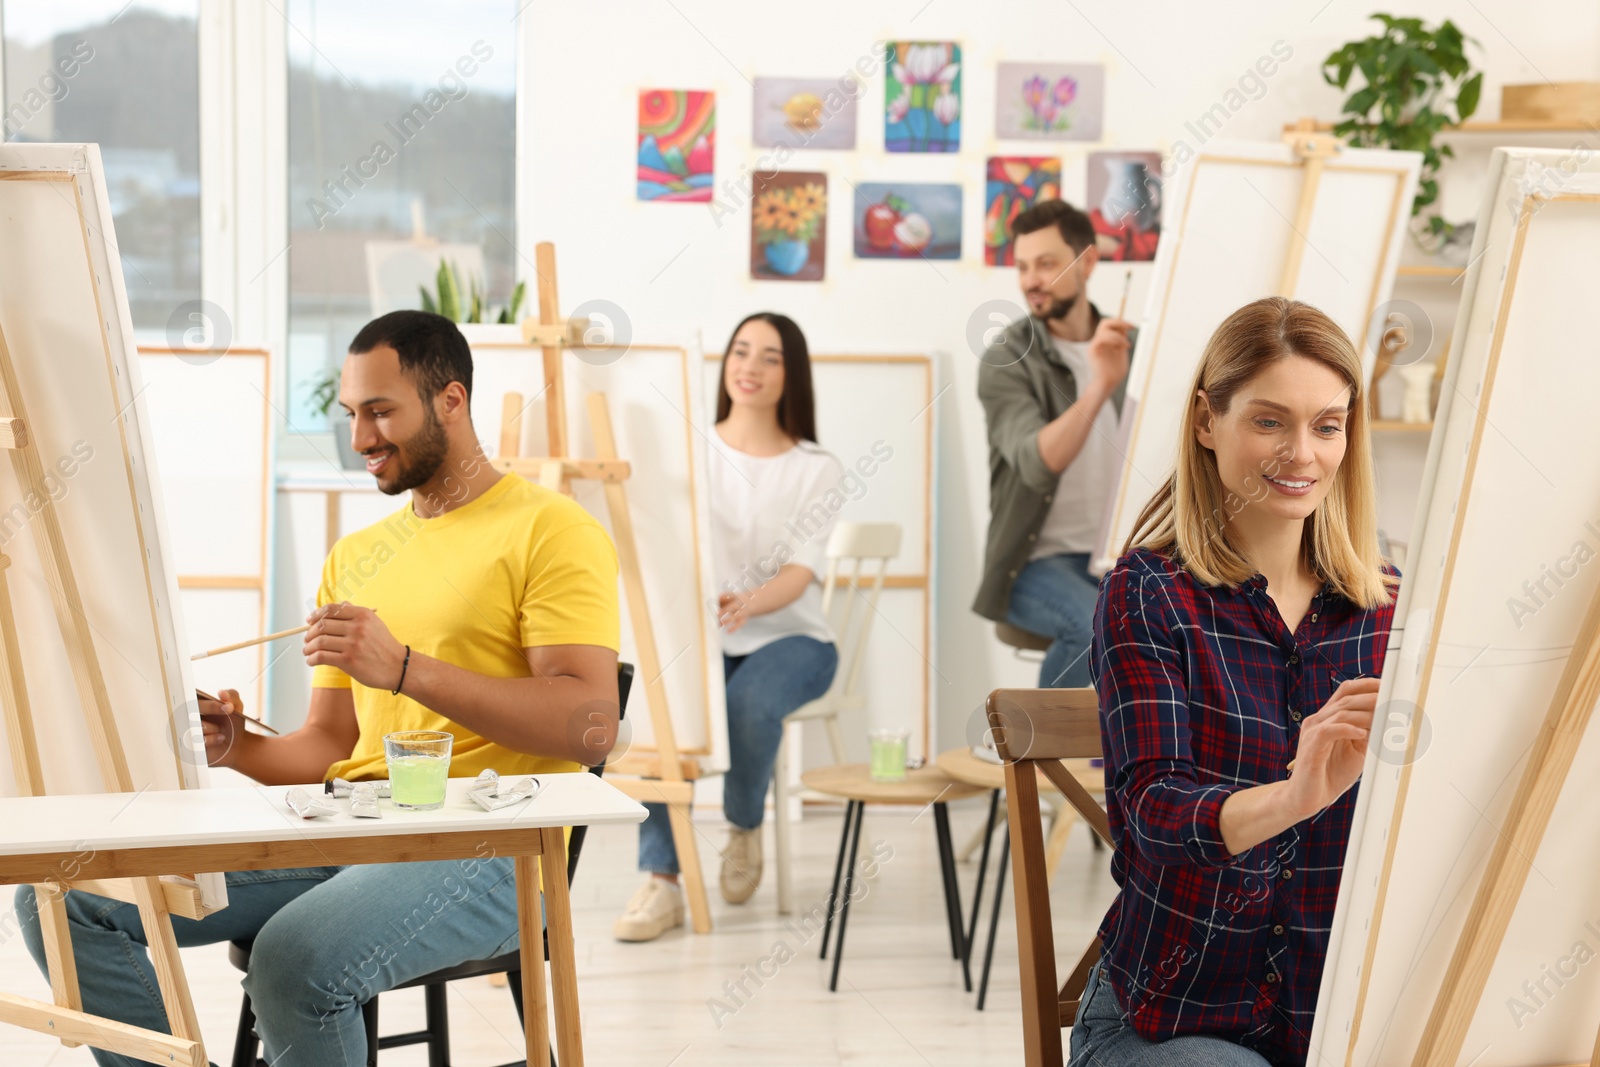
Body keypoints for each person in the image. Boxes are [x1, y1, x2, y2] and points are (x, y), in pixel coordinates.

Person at [14, 310, 622, 1067]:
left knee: (293, 959)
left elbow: (591, 722)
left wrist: (404, 669)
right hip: (354, 826)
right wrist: (235, 745)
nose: (361, 436)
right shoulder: (358, 553)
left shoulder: (551, 530)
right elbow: (331, 745)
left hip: (494, 848)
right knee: (68, 901)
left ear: (452, 401)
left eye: (380, 411)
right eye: (351, 415)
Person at [1074, 297, 1397, 1067]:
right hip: (1169, 1022)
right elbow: (1152, 814)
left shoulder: (1385, 607)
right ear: (1205, 421)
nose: (1302, 453)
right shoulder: (1149, 591)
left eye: (1327, 424)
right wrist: (1295, 796)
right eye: (1267, 420)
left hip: (1332, 1024)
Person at [614, 311, 841, 942]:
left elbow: (802, 571)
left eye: (770, 356)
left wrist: (750, 602)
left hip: (794, 637)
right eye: (741, 351)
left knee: (747, 703)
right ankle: (662, 881)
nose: (750, 366)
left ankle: (743, 826)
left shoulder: (815, 466)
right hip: (706, 637)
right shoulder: (691, 451)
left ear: (791, 373)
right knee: (659, 709)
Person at [973, 198, 1135, 688]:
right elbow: (1038, 462)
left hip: (1120, 560)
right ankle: (1039, 759)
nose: (1030, 280)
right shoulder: (1007, 357)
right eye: (1023, 267)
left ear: (1087, 261)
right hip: (1036, 565)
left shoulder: (1137, 347)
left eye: (1046, 263)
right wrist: (1098, 385)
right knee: (1093, 627)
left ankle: (1126, 761)